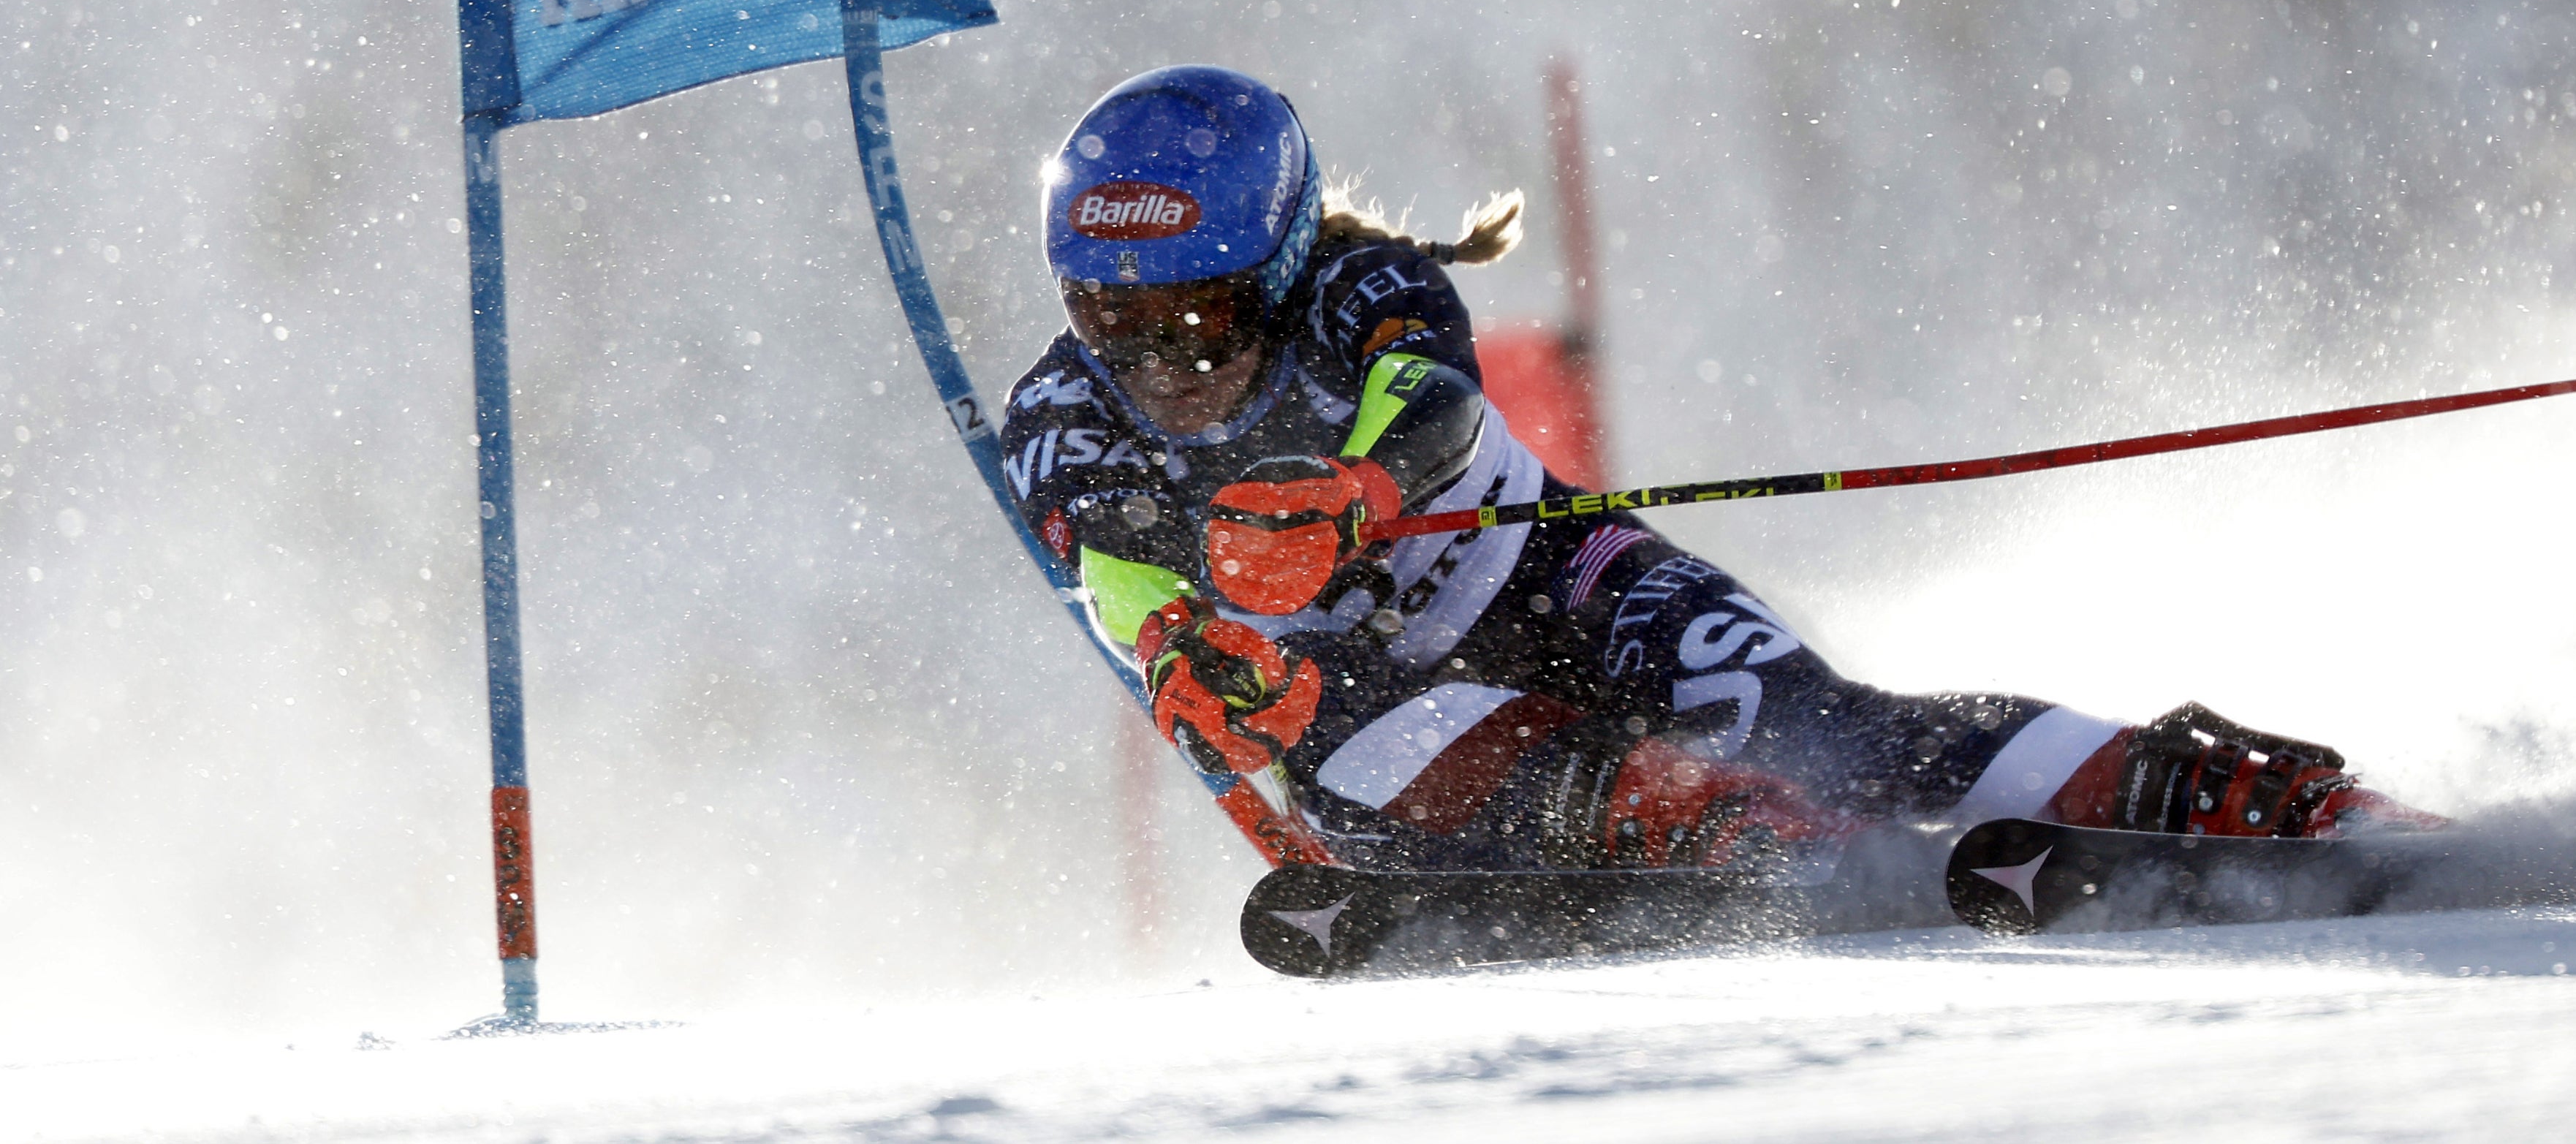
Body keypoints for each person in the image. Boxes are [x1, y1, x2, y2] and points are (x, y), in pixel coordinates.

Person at [999, 64, 2447, 874]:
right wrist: (1185, 640)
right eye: (1109, 315)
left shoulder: (1363, 288)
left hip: (1547, 571)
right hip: (1367, 695)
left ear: (1288, 249)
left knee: (1818, 718)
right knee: (1479, 769)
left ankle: (2195, 791)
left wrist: (1361, 493)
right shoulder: (1064, 412)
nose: (1163, 355)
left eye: (1198, 307)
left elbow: (1431, 399)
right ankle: (1772, 848)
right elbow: (1116, 563)